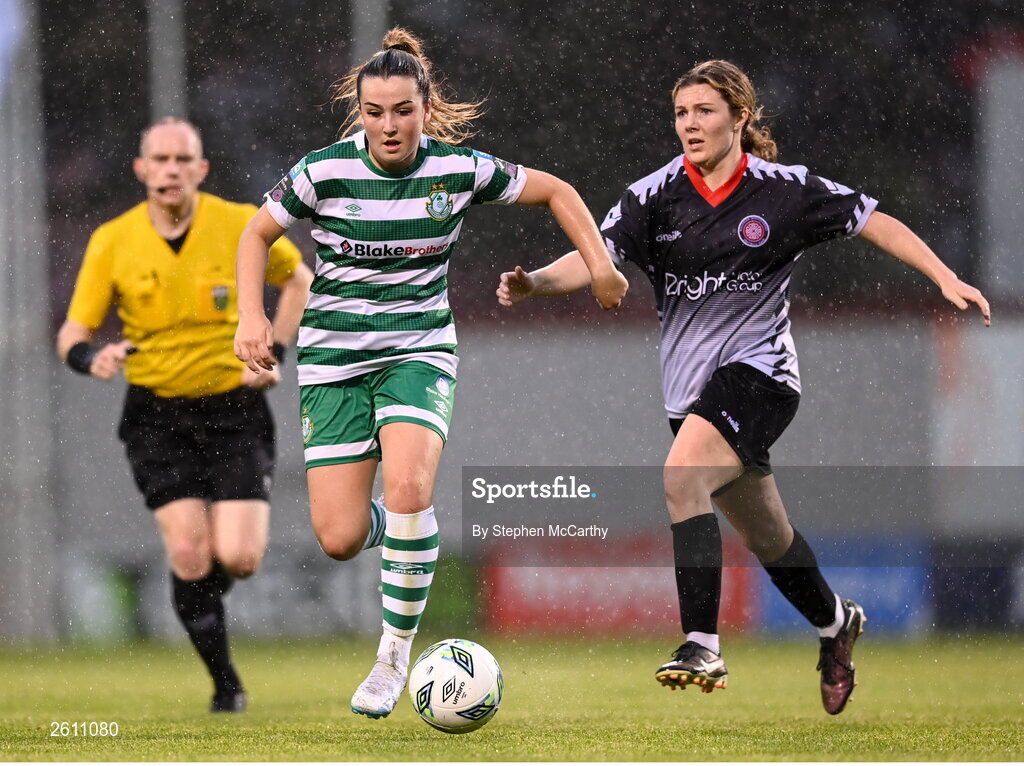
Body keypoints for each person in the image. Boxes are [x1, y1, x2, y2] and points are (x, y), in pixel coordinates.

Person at [496, 59, 990, 715]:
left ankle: (701, 644)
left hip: (761, 377)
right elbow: (594, 260)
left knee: (679, 477)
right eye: (681, 113)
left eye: (704, 111)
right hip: (692, 397)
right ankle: (836, 622)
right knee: (768, 537)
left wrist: (941, 275)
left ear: (740, 116)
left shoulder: (784, 191)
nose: (690, 124)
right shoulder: (654, 197)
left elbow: (874, 220)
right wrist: (535, 284)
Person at [233, 27, 628, 720]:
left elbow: (559, 191)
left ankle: (391, 657)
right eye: (376, 111)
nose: (389, 125)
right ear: (361, 112)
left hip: (418, 349)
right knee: (339, 537)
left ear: (425, 107)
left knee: (412, 484)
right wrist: (251, 318)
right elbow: (255, 234)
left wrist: (598, 265)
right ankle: (409, 528)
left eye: (403, 110)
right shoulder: (323, 171)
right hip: (332, 360)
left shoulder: (457, 169)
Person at [56, 117, 314, 713]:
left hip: (235, 411)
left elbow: (300, 281)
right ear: (141, 170)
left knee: (241, 558)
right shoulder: (113, 241)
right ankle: (226, 685)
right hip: (156, 418)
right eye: (160, 160)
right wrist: (92, 356)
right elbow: (72, 331)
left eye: (183, 160)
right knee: (191, 553)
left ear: (201, 170)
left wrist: (274, 347)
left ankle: (198, 597)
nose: (171, 170)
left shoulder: (239, 225)